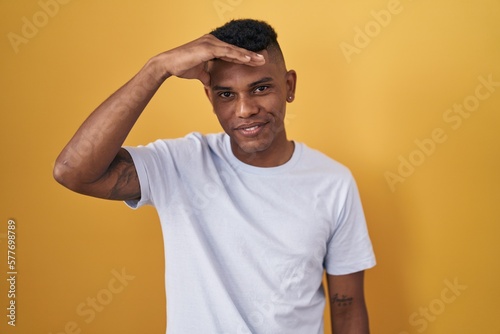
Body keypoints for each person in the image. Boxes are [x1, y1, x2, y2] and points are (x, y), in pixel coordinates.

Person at [54, 18, 376, 334]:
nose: (245, 109)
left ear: (289, 86)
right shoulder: (180, 164)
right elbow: (73, 171)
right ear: (210, 98)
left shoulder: (334, 182)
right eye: (226, 95)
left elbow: (346, 308)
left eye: (261, 88)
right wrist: (157, 69)